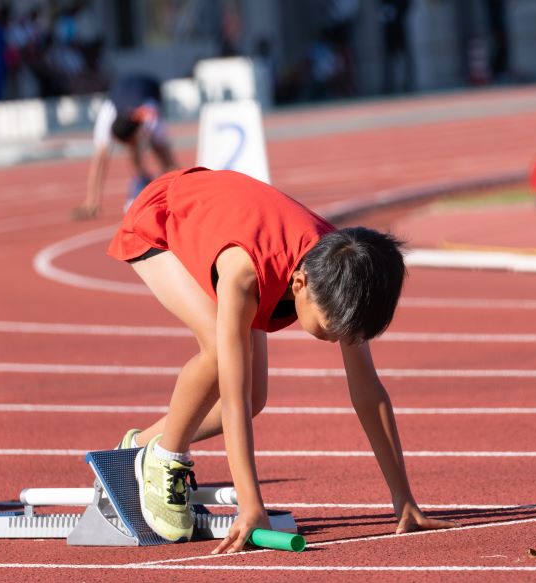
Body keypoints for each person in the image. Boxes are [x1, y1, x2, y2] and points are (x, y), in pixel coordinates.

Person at [107, 167, 456, 553]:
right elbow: (231, 394)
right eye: (329, 329)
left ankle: (137, 445)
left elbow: (368, 391)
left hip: (230, 224)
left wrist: (403, 498)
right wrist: (250, 504)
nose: (337, 340)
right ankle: (163, 456)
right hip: (162, 220)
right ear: (299, 285)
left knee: (257, 398)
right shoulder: (245, 274)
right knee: (221, 357)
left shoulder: (343, 270)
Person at [73, 73, 177, 220]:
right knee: (132, 151)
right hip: (120, 89)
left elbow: (169, 161)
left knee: (158, 149)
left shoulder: (152, 119)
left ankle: (168, 189)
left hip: (150, 87)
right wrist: (92, 201)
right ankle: (142, 178)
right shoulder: (107, 116)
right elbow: (99, 161)